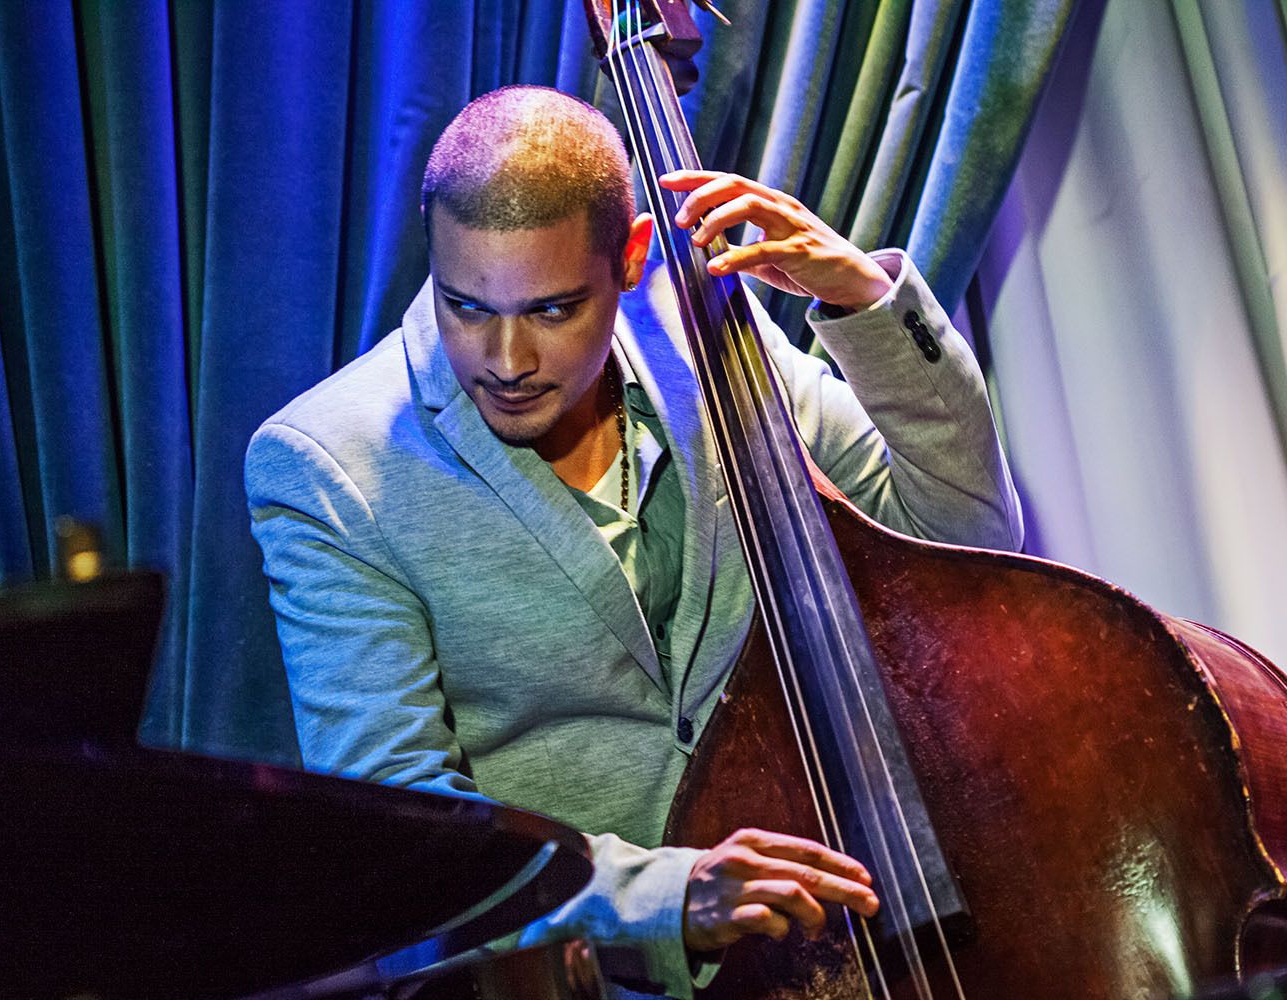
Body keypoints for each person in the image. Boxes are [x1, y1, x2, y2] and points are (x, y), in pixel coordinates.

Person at [245, 85, 1022, 998]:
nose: (505, 360)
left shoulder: (708, 329)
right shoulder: (324, 464)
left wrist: (865, 303)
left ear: (632, 258)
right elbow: (405, 836)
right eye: (465, 307)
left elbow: (960, 534)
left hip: (862, 937)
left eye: (551, 310)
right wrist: (669, 898)